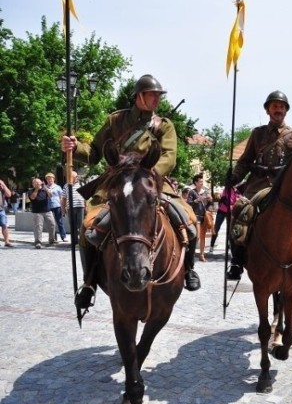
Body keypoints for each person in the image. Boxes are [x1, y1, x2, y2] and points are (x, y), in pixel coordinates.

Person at [61, 74, 201, 311]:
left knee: (188, 217)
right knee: (88, 225)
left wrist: (146, 175)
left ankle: (189, 269)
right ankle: (89, 282)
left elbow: (169, 157)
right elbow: (94, 152)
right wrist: (75, 147)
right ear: (139, 96)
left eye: (158, 95)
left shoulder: (164, 125)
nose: (156, 99)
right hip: (116, 183)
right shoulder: (115, 121)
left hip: (151, 181)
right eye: (152, 95)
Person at [225, 90, 292, 279]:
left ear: (286, 111)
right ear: (267, 110)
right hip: (258, 183)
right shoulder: (258, 134)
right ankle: (237, 262)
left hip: (283, 186)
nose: (278, 109)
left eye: (281, 106)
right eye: (274, 106)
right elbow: (245, 161)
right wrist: (234, 177)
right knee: (240, 210)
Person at [187, 173, 212, 262]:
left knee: (202, 237)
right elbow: (188, 203)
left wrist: (209, 200)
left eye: (202, 181)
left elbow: (208, 205)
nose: (202, 183)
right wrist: (196, 200)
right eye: (200, 181)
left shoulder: (205, 192)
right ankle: (191, 254)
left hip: (203, 217)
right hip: (195, 216)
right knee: (196, 237)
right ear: (195, 182)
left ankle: (201, 255)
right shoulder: (192, 192)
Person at [209, 183, 240, 252]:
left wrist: (234, 206)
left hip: (230, 212)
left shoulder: (237, 192)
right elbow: (223, 199)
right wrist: (229, 205)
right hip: (222, 211)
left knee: (229, 229)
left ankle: (228, 246)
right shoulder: (226, 189)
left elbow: (238, 201)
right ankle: (211, 245)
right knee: (216, 228)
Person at [28, 177, 56, 249]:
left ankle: (51, 240)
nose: (37, 184)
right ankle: (38, 242)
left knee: (52, 225)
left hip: (47, 211)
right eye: (35, 183)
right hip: (37, 212)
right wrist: (37, 189)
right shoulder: (31, 191)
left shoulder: (45, 190)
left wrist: (45, 188)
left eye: (38, 182)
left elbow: (51, 195)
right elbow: (33, 197)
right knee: (38, 227)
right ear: (33, 184)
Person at [61, 171, 85, 245]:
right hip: (70, 208)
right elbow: (63, 198)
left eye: (76, 176)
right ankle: (75, 242)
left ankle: (82, 241)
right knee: (72, 225)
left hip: (80, 207)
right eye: (74, 177)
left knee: (81, 225)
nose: (76, 178)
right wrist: (63, 209)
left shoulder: (81, 184)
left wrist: (86, 207)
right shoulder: (66, 186)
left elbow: (85, 197)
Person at [43, 172, 66, 242]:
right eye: (48, 179)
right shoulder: (44, 188)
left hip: (57, 205)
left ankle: (63, 236)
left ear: (54, 179)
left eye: (51, 179)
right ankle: (54, 237)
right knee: (51, 223)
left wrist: (63, 207)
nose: (50, 180)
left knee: (59, 221)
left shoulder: (58, 187)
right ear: (46, 180)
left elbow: (61, 197)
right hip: (48, 206)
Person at [0, 178, 13, 247]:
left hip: (1, 209)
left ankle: (6, 241)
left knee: (4, 225)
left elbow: (9, 194)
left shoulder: (1, 187)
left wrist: (3, 185)